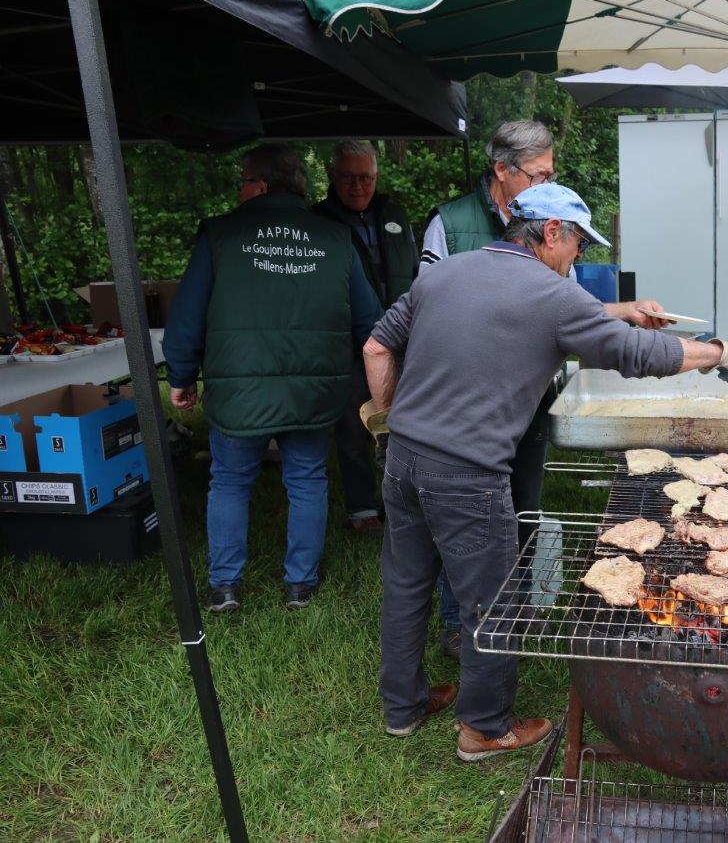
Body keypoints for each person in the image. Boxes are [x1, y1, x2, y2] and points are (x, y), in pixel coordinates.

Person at [363, 182, 728, 756]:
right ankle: (485, 728)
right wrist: (717, 352)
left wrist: (395, 416)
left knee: (406, 582)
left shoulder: (443, 273)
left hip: (403, 459)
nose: (577, 258)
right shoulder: (550, 292)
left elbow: (376, 348)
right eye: (577, 246)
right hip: (468, 474)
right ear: (550, 233)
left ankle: (403, 706)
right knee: (490, 601)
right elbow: (638, 355)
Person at [418, 119, 650, 660]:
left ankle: (512, 609)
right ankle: (461, 622)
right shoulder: (450, 226)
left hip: (529, 399)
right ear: (503, 170)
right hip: (469, 408)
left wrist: (624, 313)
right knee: (466, 521)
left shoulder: (549, 225)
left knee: (519, 506)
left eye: (551, 173)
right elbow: (422, 312)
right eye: (539, 173)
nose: (548, 182)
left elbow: (564, 312)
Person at [165, 143, 382, 613]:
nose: (239, 189)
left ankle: (225, 586)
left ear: (260, 185)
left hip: (238, 385)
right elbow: (370, 321)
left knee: (229, 480)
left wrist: (181, 374)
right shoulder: (336, 237)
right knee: (307, 478)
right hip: (314, 386)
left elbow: (187, 314)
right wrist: (382, 381)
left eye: (242, 181)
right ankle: (299, 585)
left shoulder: (220, 234)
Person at [312, 140, 419, 534]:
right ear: (332, 177)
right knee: (355, 426)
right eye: (348, 177)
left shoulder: (394, 214)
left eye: (366, 177)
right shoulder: (319, 221)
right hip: (347, 343)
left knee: (405, 421)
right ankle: (362, 508)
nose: (358, 186)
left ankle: (405, 498)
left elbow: (413, 270)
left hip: (402, 337)